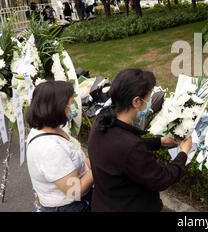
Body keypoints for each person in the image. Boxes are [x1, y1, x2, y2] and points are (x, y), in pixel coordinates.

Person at [88, 69, 192, 212]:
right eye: (149, 97)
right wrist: (183, 154)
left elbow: (121, 151)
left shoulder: (101, 122)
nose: (149, 102)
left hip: (104, 202)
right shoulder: (129, 146)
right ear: (136, 101)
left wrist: (159, 142)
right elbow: (161, 179)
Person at [26, 81, 94, 212]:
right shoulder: (49, 149)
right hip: (70, 207)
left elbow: (75, 158)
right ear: (56, 107)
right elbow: (74, 191)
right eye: (71, 103)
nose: (74, 107)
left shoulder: (48, 128)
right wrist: (100, 168)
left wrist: (94, 162)